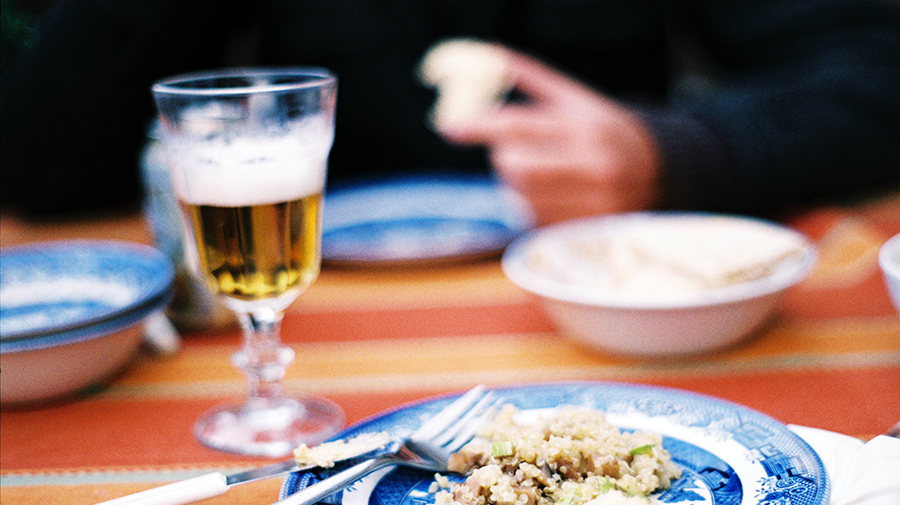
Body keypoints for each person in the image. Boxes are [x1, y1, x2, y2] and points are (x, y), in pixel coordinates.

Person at [2, 0, 900, 225]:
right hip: (321, 322)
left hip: (609, 280)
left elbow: (877, 75)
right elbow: (42, 167)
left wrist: (678, 151)